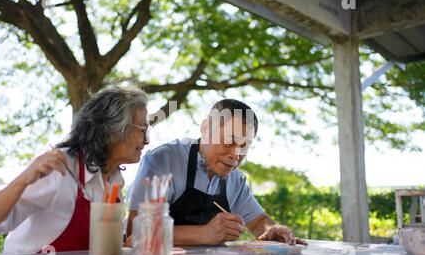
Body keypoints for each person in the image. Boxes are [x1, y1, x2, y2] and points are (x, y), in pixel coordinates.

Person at [0, 87, 150, 255]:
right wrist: (24, 178)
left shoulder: (114, 182)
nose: (147, 140)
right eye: (143, 129)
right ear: (114, 129)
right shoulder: (60, 169)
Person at [126, 99, 307, 246]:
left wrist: (273, 228)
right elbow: (135, 232)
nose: (236, 155)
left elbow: (259, 223)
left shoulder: (236, 180)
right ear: (205, 129)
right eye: (229, 142)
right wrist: (204, 234)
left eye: (244, 146)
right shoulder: (163, 160)